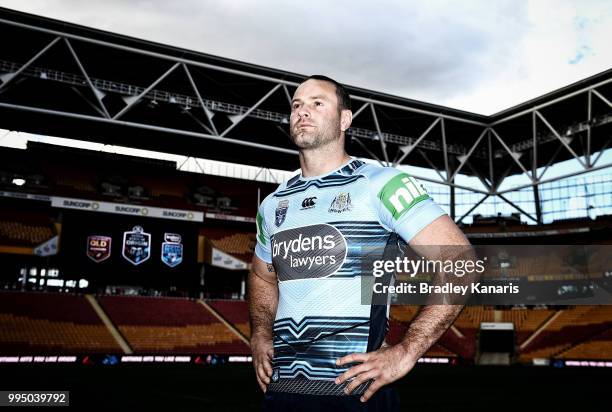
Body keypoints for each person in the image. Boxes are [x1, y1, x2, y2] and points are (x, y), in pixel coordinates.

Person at [248, 75, 471, 411]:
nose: (302, 112)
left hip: (357, 392)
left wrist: (407, 350)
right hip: (283, 392)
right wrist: (260, 334)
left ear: (345, 119)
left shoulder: (381, 184)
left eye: (317, 103)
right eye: (296, 105)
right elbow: (262, 276)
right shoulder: (274, 204)